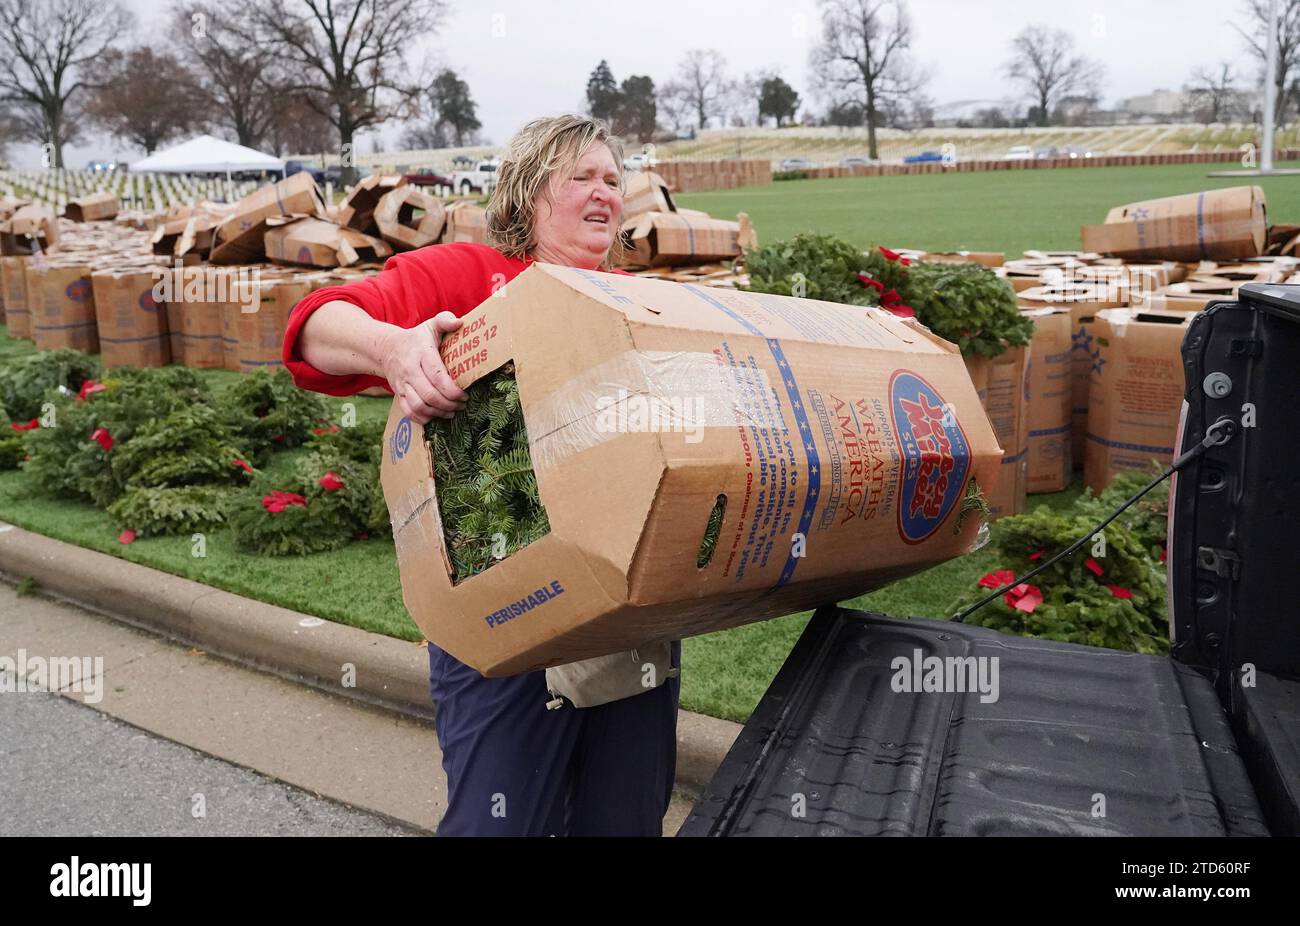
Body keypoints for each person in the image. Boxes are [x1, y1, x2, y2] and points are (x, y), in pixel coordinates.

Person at [282, 115, 680, 836]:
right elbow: (311, 328)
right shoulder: (466, 276)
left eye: (614, 181)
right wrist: (394, 350)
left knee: (626, 822)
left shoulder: (634, 300)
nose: (604, 194)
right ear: (529, 195)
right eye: (581, 178)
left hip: (630, 620)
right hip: (503, 616)